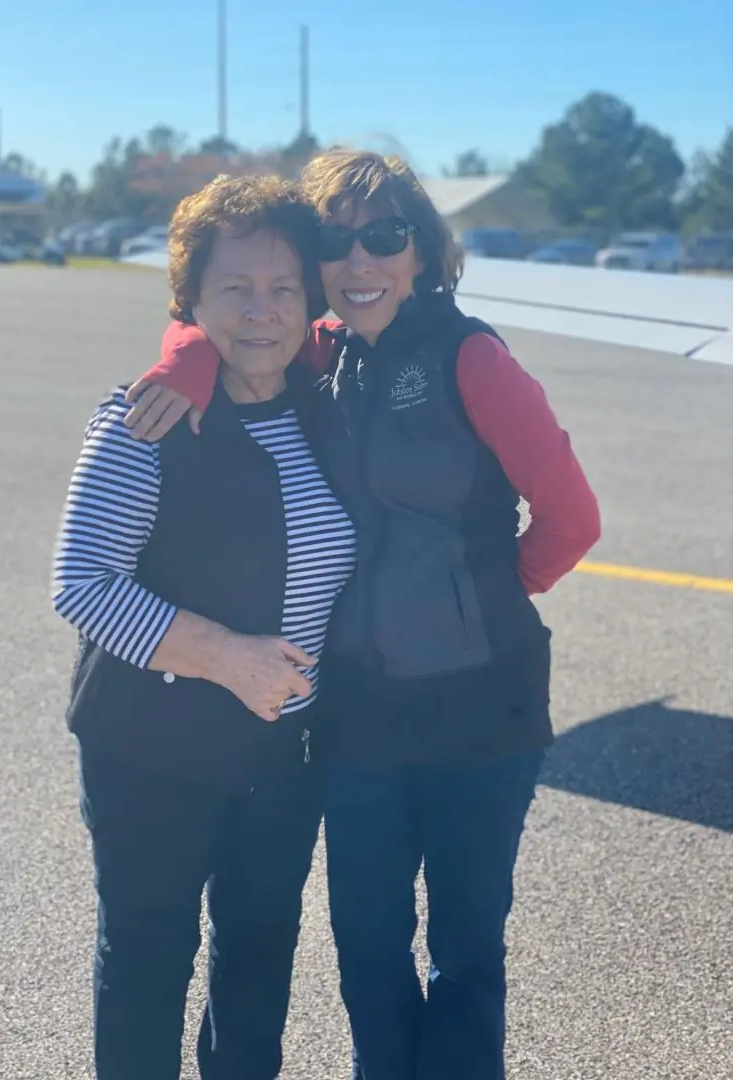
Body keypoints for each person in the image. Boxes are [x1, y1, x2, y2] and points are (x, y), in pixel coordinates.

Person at [123, 150, 601, 1080]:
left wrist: (486, 600)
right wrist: (179, 360)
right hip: (360, 723)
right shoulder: (320, 354)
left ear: (422, 250)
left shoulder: (474, 358)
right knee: (368, 955)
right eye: (335, 242)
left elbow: (573, 519)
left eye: (383, 236)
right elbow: (225, 329)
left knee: (465, 959)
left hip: (482, 717)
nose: (359, 261)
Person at [50, 173, 356, 1080]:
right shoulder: (147, 417)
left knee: (258, 961)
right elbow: (80, 583)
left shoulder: (324, 403)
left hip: (283, 752)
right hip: (153, 748)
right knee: (148, 958)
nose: (261, 312)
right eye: (234, 290)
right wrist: (228, 657)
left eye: (282, 289)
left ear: (309, 301)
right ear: (189, 301)